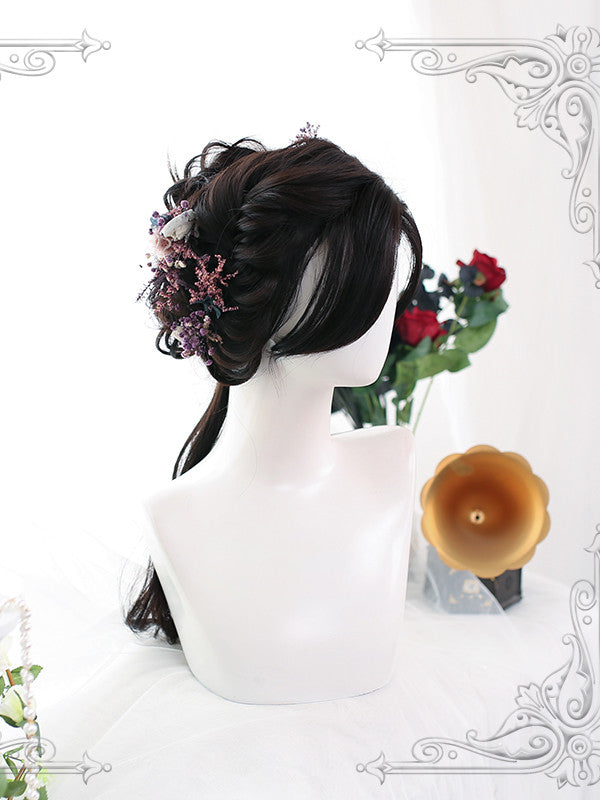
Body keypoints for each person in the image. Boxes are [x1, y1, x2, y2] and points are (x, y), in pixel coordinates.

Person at [125, 130, 423, 703]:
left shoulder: (393, 461)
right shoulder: (175, 517)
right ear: (261, 297)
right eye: (364, 272)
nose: (389, 295)